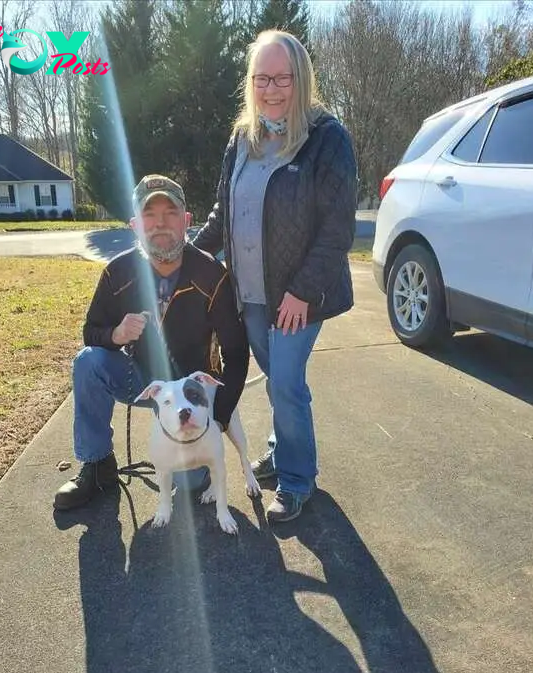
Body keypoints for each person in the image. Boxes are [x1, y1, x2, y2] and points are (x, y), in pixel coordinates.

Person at [192, 30, 357, 523]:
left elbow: (337, 227)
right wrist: (186, 259)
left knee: (285, 381)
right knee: (275, 380)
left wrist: (304, 291)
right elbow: (223, 214)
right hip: (252, 293)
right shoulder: (242, 137)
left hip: (299, 295)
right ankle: (281, 449)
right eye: (262, 77)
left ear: (300, 79)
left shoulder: (327, 138)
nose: (271, 88)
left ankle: (297, 478)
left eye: (282, 77)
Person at [54, 174, 250, 510]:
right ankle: (97, 464)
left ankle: (195, 462)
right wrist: (115, 335)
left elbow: (236, 351)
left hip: (190, 392)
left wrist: (217, 419)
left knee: (188, 487)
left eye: (170, 213)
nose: (160, 224)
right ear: (135, 225)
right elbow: (91, 332)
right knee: (88, 362)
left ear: (187, 220)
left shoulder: (211, 274)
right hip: (142, 380)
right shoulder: (118, 272)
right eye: (149, 215)